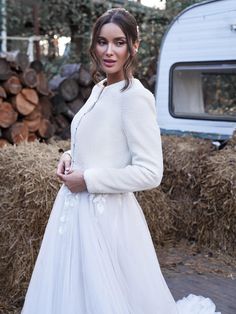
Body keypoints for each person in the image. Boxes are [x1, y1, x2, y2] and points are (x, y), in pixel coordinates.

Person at [21, 8, 221, 314]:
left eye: (118, 42)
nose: (109, 51)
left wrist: (88, 179)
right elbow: (97, 141)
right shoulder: (100, 89)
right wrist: (69, 156)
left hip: (107, 219)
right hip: (73, 213)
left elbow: (151, 172)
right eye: (102, 42)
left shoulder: (135, 98)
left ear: (134, 46)